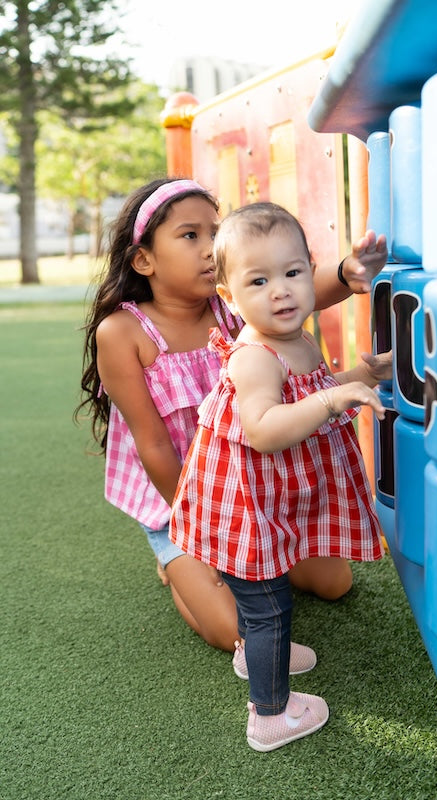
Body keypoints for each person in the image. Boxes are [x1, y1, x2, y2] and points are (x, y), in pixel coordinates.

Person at [76, 177, 388, 655]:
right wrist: (205, 530)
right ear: (144, 260)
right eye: (190, 235)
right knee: (236, 631)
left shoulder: (230, 309)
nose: (209, 246)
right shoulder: (123, 332)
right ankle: (177, 564)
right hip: (182, 498)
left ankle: (252, 554)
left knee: (334, 582)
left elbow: (296, 291)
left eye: (214, 231)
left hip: (251, 484)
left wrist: (348, 272)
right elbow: (154, 445)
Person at [169, 201, 392, 751]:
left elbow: (309, 394)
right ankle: (270, 713)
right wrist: (335, 399)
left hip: (267, 502)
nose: (282, 291)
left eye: (293, 272)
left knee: (261, 603)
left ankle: (254, 651)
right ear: (230, 296)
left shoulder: (298, 339)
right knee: (269, 606)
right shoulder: (255, 358)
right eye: (259, 280)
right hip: (245, 509)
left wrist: (359, 374)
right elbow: (266, 428)